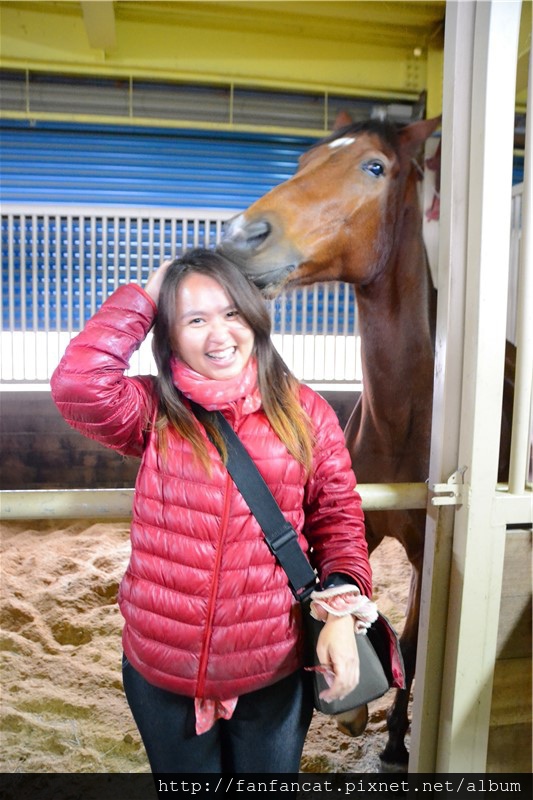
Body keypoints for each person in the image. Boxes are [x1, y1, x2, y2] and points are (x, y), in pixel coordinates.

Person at [51, 248, 375, 776]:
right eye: (194, 320)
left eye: (231, 312)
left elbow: (338, 518)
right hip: (163, 669)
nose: (219, 334)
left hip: (272, 669)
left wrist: (340, 611)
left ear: (254, 317)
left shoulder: (305, 412)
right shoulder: (154, 410)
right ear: (169, 335)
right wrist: (149, 294)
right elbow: (77, 385)